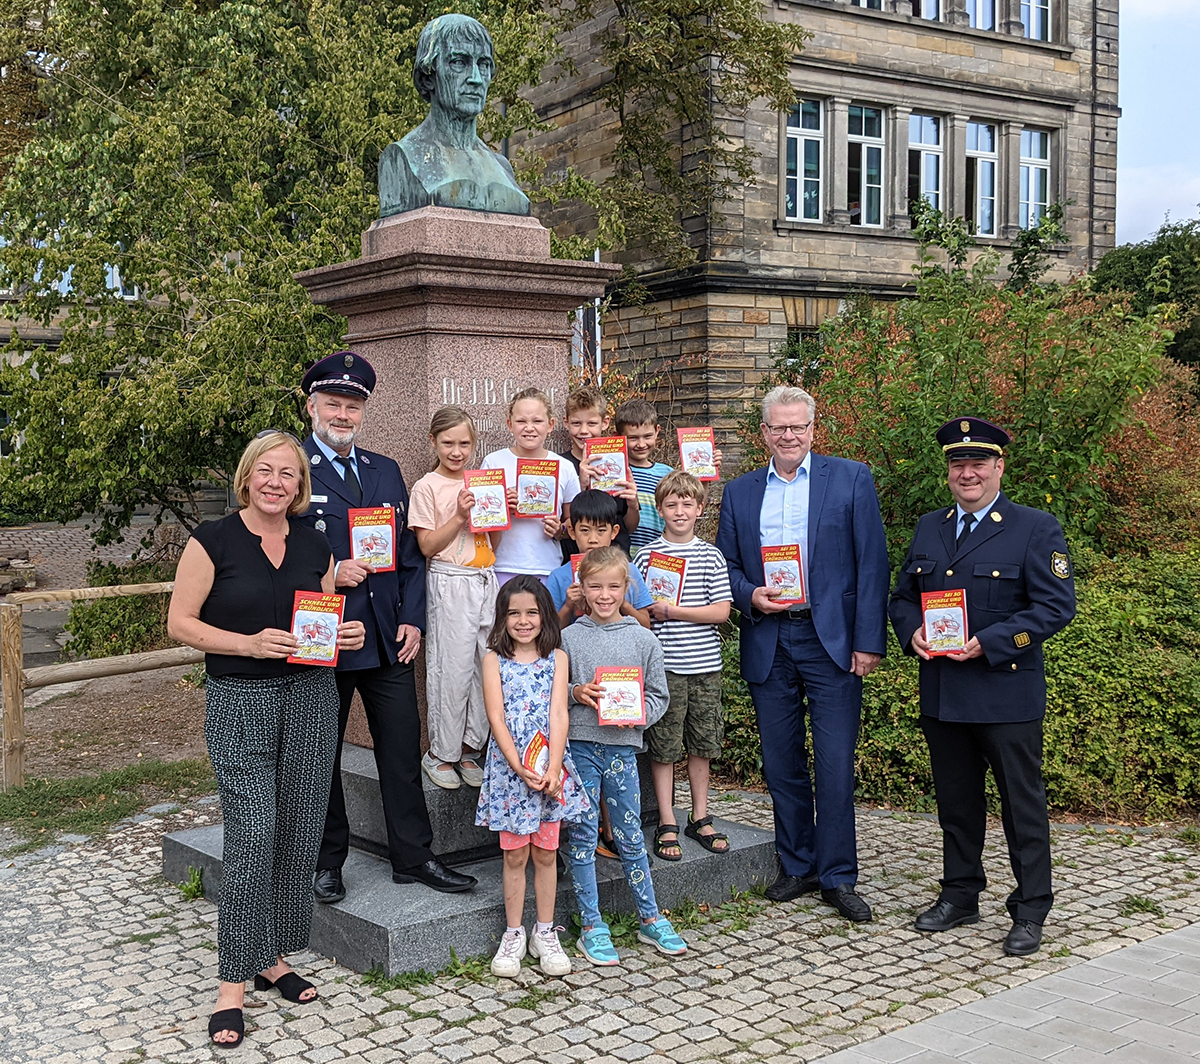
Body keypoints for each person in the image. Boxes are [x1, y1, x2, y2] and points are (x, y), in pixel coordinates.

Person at [167, 431, 367, 1049]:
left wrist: (344, 636)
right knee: (252, 831)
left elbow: (320, 617)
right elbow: (180, 623)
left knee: (299, 826)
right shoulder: (213, 539)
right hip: (241, 698)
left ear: (301, 486)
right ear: (247, 476)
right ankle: (232, 985)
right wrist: (249, 643)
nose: (277, 482)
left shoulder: (315, 544)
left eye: (289, 474)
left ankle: (271, 955)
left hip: (310, 696)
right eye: (267, 471)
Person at [888, 417, 1076, 957]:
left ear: (998, 467)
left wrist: (993, 641)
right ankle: (961, 893)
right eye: (957, 463)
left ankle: (1032, 906)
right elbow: (902, 597)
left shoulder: (1034, 527)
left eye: (977, 463)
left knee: (1022, 804)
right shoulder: (931, 526)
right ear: (947, 470)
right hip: (945, 689)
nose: (966, 472)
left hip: (1004, 689)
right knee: (956, 803)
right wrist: (912, 632)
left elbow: (1055, 606)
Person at [297, 351, 476, 901]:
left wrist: (412, 620)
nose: (343, 415)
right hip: (325, 632)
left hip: (386, 634)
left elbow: (409, 557)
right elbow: (275, 548)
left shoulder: (385, 470)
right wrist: (327, 568)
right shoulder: (292, 466)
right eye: (334, 404)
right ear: (311, 407)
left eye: (353, 406)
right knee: (320, 752)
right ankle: (326, 861)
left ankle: (414, 856)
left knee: (400, 748)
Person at [715, 385, 889, 922]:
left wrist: (868, 641)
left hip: (830, 639)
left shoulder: (850, 478)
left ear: (813, 429)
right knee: (781, 761)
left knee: (835, 763)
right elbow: (726, 565)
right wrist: (750, 596)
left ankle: (838, 874)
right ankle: (799, 865)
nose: (789, 436)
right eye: (778, 428)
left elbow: (872, 563)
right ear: (763, 433)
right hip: (770, 634)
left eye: (798, 427)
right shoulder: (741, 491)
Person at [561, 546, 687, 966]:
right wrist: (575, 693)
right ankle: (592, 924)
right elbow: (552, 692)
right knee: (581, 834)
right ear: (581, 587)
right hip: (579, 747)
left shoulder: (643, 638)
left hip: (622, 748)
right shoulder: (568, 638)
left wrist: (635, 718)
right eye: (594, 586)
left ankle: (650, 916)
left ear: (626, 587)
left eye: (613, 586)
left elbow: (658, 695)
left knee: (630, 833)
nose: (604, 595)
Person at [475, 577, 589, 978]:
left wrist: (554, 765)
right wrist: (517, 764)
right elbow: (496, 717)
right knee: (514, 854)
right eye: (514, 614)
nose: (523, 621)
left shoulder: (557, 658)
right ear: (502, 619)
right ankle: (513, 934)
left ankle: (545, 931)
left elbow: (559, 713)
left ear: (544, 615)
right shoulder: (493, 660)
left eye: (531, 613)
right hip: (511, 773)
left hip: (549, 770)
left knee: (545, 852)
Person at [633, 471, 733, 861]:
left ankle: (701, 815)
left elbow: (722, 611)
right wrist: (647, 613)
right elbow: (638, 612)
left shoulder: (710, 555)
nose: (679, 511)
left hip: (704, 664)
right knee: (664, 746)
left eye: (687, 504)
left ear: (700, 509)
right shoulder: (646, 556)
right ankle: (667, 819)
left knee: (702, 744)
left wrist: (671, 610)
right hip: (664, 668)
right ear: (659, 510)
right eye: (671, 504)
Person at [410, 406, 499, 791]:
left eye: (465, 443)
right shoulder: (427, 486)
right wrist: (461, 516)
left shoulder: (481, 481)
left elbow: (492, 541)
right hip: (450, 580)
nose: (457, 451)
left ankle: (469, 747)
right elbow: (426, 545)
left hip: (485, 577)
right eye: (448, 443)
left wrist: (499, 509)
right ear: (434, 442)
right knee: (452, 667)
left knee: (485, 665)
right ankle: (441, 752)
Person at [377, 13, 530, 217]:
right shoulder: (401, 159)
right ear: (428, 77)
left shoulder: (502, 168)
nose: (475, 78)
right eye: (459, 62)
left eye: (483, 64)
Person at [481, 387, 581, 585]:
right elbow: (480, 517)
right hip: (502, 565)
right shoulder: (494, 462)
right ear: (510, 425)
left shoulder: (564, 467)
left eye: (537, 421)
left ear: (550, 425)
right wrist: (501, 509)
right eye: (521, 421)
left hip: (547, 566)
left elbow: (574, 520)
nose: (529, 428)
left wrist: (560, 530)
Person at [547, 489, 654, 630]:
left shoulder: (629, 571)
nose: (593, 539)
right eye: (585, 530)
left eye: (601, 531)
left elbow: (646, 625)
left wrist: (622, 602)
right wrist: (568, 606)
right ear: (572, 532)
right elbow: (549, 631)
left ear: (614, 532)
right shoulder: (559, 577)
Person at [559, 386, 639, 559]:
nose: (584, 431)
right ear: (566, 423)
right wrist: (580, 485)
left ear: (605, 422)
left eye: (592, 423)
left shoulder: (617, 462)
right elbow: (561, 528)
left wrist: (633, 504)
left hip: (616, 558)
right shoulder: (560, 465)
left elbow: (629, 526)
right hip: (573, 559)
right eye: (576, 423)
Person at [616, 399, 676, 557]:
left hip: (657, 557)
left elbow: (690, 506)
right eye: (633, 438)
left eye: (647, 436)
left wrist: (705, 478)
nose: (641, 444)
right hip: (621, 558)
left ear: (657, 431)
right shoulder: (615, 473)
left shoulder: (667, 474)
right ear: (618, 437)